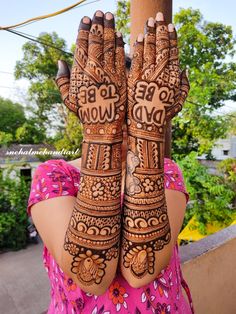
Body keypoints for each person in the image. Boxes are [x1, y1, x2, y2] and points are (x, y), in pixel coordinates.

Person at [27, 10, 194, 314]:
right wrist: (102, 132)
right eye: (116, 104)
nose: (126, 118)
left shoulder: (166, 171)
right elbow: (93, 276)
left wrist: (148, 128)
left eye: (137, 106)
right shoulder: (53, 176)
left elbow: (140, 270)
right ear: (86, 106)